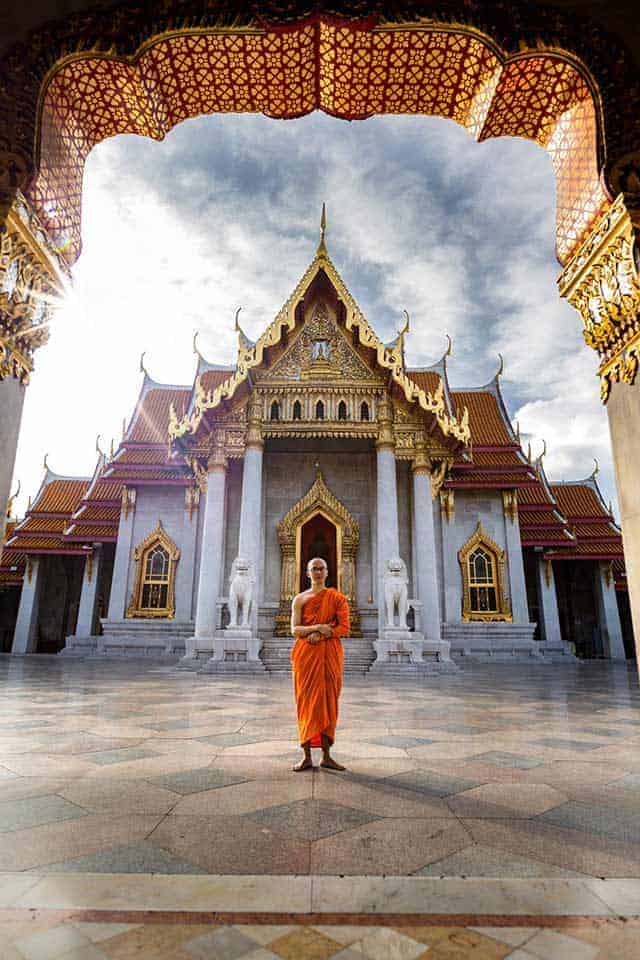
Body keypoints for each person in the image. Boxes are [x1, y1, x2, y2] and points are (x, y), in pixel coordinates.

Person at [290, 556, 350, 771]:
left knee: (328, 702)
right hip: (306, 656)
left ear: (327, 572)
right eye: (313, 568)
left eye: (321, 568)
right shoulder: (300, 599)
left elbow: (344, 627)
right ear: (307, 573)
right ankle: (306, 756)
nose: (317, 572)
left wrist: (324, 635)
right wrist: (318, 628)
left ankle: (326, 755)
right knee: (306, 703)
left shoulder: (337, 598)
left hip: (329, 654)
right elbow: (295, 629)